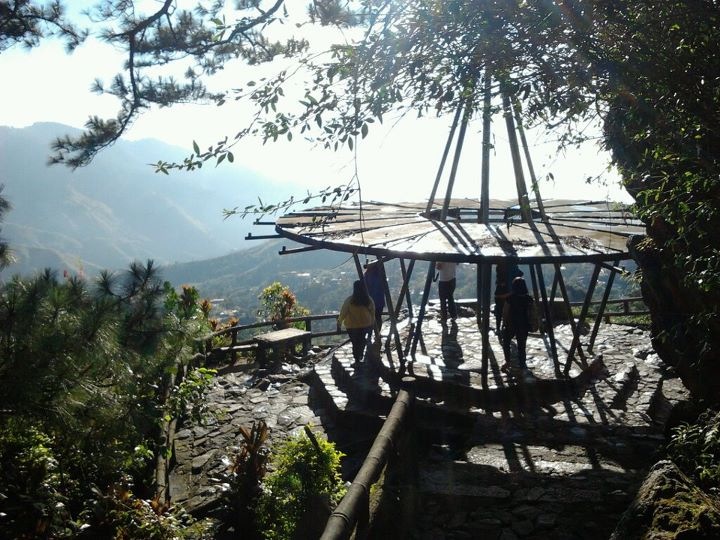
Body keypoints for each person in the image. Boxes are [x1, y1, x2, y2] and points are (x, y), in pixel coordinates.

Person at [501, 276, 534, 374]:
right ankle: (522, 364)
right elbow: (532, 312)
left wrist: (504, 322)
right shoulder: (529, 299)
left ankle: (508, 362)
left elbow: (505, 311)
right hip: (524, 324)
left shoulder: (510, 298)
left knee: (506, 342)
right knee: (521, 345)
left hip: (511, 324)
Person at [338, 280, 375, 365]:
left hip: (352, 325)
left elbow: (343, 312)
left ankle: (356, 358)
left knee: (355, 342)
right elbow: (373, 312)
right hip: (365, 324)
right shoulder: (368, 299)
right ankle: (360, 354)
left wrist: (339, 322)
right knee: (361, 340)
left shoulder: (350, 300)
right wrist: (372, 323)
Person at [363, 260, 385, 336]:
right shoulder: (380, 275)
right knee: (378, 317)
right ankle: (377, 333)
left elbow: (365, 287)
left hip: (371, 301)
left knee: (370, 318)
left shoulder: (367, 276)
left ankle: (369, 334)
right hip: (379, 301)